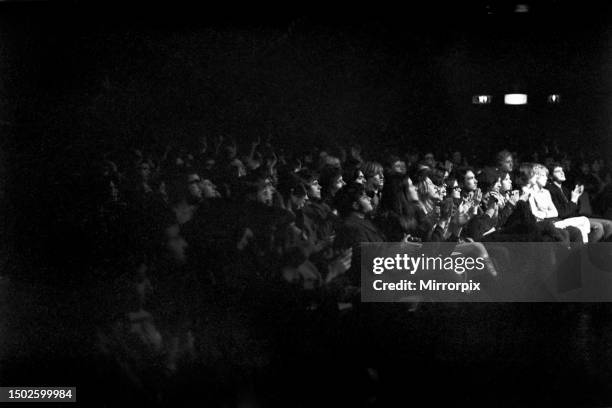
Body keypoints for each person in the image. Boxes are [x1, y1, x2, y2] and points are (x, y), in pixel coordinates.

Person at [547, 163, 612, 242]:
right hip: (565, 220)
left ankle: (605, 252)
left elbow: (576, 208)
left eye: (562, 170)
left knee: (609, 224)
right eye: (557, 171)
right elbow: (562, 213)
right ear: (550, 176)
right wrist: (574, 199)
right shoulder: (550, 190)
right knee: (598, 227)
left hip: (576, 217)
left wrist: (577, 196)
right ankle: (589, 251)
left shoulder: (565, 189)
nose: (562, 173)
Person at [528, 164, 590, 243]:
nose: (546, 178)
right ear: (536, 177)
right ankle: (584, 251)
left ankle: (583, 251)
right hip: (548, 224)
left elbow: (555, 212)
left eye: (546, 175)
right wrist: (547, 214)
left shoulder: (546, 192)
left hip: (557, 220)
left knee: (583, 224)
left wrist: (544, 213)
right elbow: (535, 214)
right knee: (583, 224)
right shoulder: (532, 192)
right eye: (543, 175)